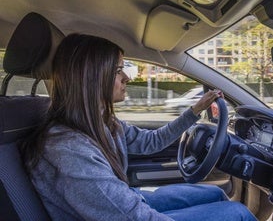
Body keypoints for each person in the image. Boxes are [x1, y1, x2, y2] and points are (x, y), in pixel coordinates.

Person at [21, 33, 256, 221]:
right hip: (127, 212)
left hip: (127, 201)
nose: (127, 78)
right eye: (117, 70)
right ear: (91, 77)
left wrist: (195, 111)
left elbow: (151, 142)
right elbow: (133, 217)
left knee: (215, 193)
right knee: (238, 214)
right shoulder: (68, 148)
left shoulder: (99, 123)